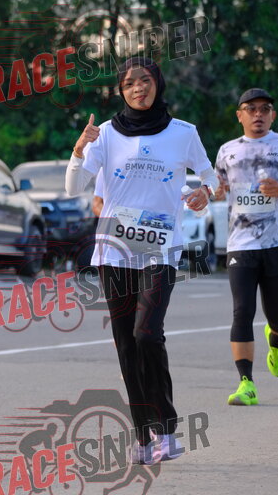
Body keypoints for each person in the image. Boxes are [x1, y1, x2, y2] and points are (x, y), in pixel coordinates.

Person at [66, 57, 218, 464]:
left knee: (147, 334)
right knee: (125, 344)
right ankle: (142, 437)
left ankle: (166, 428)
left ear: (158, 84)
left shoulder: (183, 132)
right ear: (121, 90)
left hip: (160, 248)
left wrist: (205, 191)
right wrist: (79, 150)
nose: (138, 88)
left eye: (145, 80)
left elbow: (210, 174)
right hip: (114, 251)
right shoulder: (105, 134)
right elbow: (74, 186)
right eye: (130, 83)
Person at [214, 88, 278, 406]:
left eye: (264, 109)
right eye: (251, 109)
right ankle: (246, 383)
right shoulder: (227, 151)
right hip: (240, 243)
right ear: (240, 116)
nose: (258, 114)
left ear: (272, 115)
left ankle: (276, 340)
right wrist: (214, 191)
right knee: (242, 311)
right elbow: (217, 187)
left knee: (276, 315)